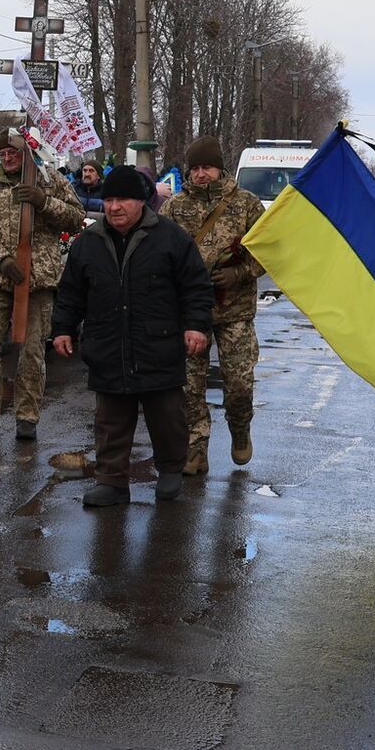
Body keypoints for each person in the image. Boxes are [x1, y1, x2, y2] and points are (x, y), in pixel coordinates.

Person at [52, 165, 213, 508]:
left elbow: (196, 287)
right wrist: (63, 329)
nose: (114, 207)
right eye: (109, 199)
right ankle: (111, 481)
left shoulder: (171, 237)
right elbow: (70, 292)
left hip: (159, 345)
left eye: (122, 199)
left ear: (141, 201)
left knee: (167, 417)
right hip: (107, 345)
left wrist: (196, 326)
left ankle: (170, 470)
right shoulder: (88, 242)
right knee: (110, 421)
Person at [0, 131, 87, 442]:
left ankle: (27, 416)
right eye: (2, 153)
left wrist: (44, 202)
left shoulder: (49, 179)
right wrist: (0, 259)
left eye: (13, 153)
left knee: (32, 351)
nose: (7, 158)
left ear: (25, 152)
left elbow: (76, 218)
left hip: (37, 280)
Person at [162, 137, 268, 475]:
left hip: (234, 311)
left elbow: (270, 251)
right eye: (194, 168)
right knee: (189, 387)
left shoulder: (247, 204)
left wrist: (240, 272)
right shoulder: (175, 208)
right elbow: (158, 251)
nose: (200, 174)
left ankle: (240, 428)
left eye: (206, 167)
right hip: (190, 313)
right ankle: (196, 450)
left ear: (220, 168)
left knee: (238, 383)